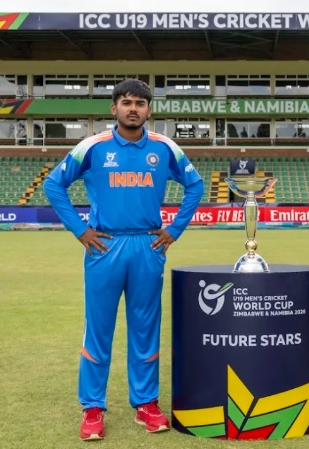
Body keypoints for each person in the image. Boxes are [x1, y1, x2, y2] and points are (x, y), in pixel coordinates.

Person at [44, 79, 204, 441]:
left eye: (140, 103)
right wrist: (81, 230)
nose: (133, 109)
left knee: (145, 329)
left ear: (149, 110)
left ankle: (146, 403)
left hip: (148, 246)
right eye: (127, 102)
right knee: (98, 329)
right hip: (104, 247)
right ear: (113, 108)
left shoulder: (165, 147)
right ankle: (92, 408)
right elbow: (54, 184)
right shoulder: (93, 146)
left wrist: (174, 230)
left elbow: (195, 185)